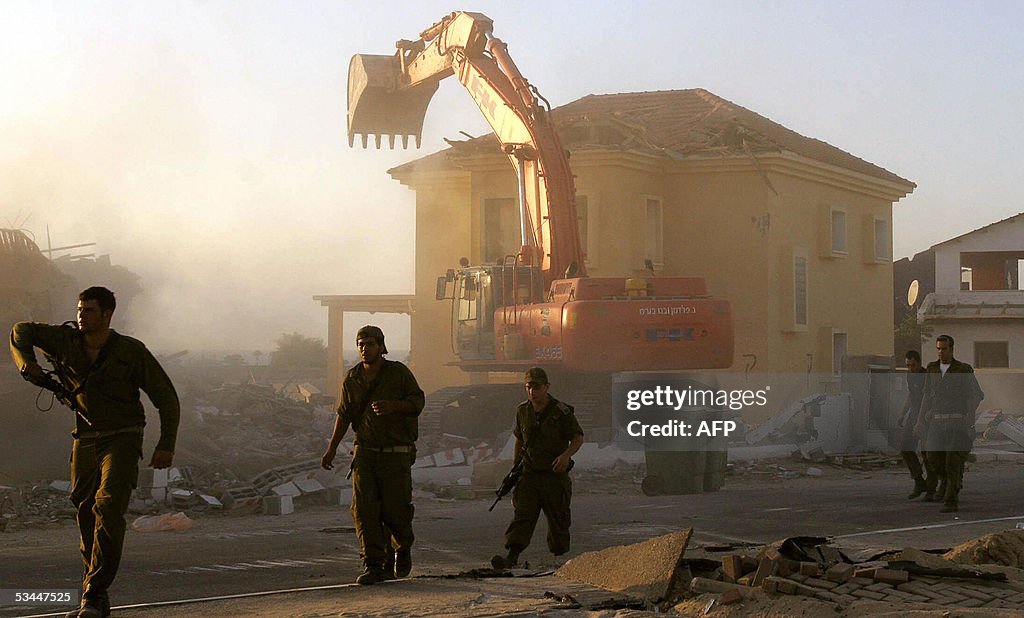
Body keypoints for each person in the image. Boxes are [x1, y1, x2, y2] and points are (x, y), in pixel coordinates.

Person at [9, 286, 179, 618]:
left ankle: (94, 591)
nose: (81, 316)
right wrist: (27, 364)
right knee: (85, 509)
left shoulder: (130, 351)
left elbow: (166, 398)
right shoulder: (65, 341)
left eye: (89, 311)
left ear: (107, 315)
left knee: (109, 505)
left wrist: (166, 444)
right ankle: (95, 598)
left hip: (124, 437)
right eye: (79, 310)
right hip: (85, 437)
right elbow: (20, 331)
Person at [321, 325, 424, 585]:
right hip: (365, 452)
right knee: (364, 510)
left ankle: (401, 547)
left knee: (395, 509)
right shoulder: (353, 378)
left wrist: (394, 406)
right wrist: (332, 447)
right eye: (360, 344)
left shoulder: (398, 373)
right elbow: (344, 414)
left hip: (395, 453)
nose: (364, 349)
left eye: (369, 344)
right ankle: (373, 564)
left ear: (381, 347)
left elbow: (418, 402)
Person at [491, 367, 584, 569]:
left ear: (547, 387)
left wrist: (565, 457)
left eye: (537, 387)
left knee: (559, 520)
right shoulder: (523, 411)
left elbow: (577, 437)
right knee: (522, 516)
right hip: (530, 474)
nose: (533, 391)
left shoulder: (561, 411)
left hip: (554, 475)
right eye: (529, 387)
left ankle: (560, 558)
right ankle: (512, 555)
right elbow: (519, 440)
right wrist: (515, 469)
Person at [914, 335, 984, 513]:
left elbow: (975, 395)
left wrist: (969, 419)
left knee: (953, 460)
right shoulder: (932, 369)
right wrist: (920, 420)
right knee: (933, 458)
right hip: (937, 421)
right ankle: (946, 481)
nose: (941, 352)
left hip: (957, 421)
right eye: (938, 348)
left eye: (944, 349)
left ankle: (951, 499)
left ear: (951, 350)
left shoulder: (963, 370)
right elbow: (926, 396)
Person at [898, 350, 929, 499]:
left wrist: (920, 421)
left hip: (926, 417)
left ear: (919, 363)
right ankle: (918, 480)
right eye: (908, 365)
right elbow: (911, 396)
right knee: (905, 447)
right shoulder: (910, 376)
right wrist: (902, 414)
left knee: (927, 453)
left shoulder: (926, 376)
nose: (911, 368)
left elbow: (926, 399)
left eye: (913, 365)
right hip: (913, 416)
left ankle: (932, 485)